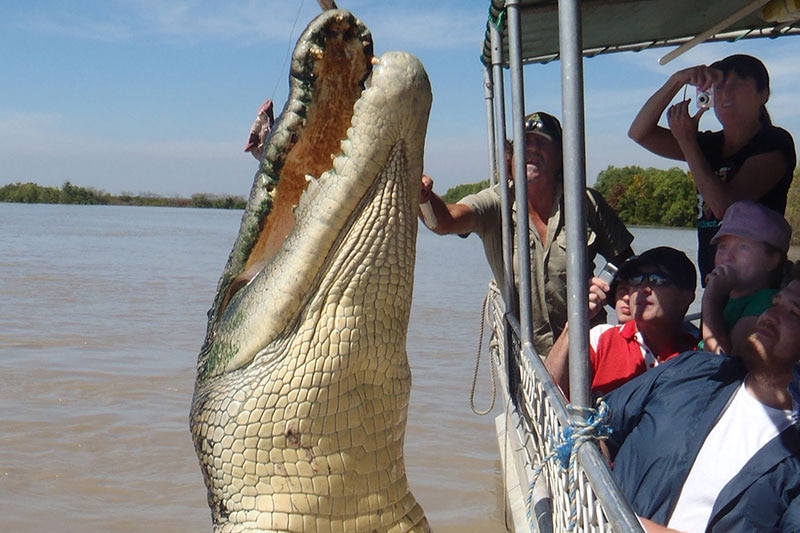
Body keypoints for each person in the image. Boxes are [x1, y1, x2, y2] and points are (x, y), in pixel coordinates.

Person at [419, 112, 634, 357]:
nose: (531, 149)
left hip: (588, 347)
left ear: (561, 157)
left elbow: (626, 260)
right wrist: (423, 197)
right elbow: (443, 221)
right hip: (527, 358)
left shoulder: (586, 202)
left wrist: (607, 287)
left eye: (542, 143)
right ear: (510, 159)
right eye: (524, 143)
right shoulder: (496, 203)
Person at [603, 278, 800, 532]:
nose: (769, 316)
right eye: (774, 304)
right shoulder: (692, 370)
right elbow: (599, 425)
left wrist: (631, 526)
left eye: (794, 313)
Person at [628, 54, 796, 281]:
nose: (725, 93)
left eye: (737, 84)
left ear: (763, 95)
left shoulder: (774, 141)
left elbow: (726, 208)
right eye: (718, 86)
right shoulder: (709, 146)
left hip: (758, 283)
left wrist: (687, 141)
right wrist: (676, 81)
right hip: (716, 278)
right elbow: (639, 132)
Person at [545, 247, 698, 398]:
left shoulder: (698, 351)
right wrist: (574, 322)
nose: (642, 289)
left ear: (686, 297)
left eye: (656, 280)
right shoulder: (600, 339)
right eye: (636, 279)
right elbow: (546, 392)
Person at [701, 200, 791, 355]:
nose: (728, 257)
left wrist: (710, 298)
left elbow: (721, 361)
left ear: (772, 261)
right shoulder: (728, 298)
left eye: (743, 247)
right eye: (722, 247)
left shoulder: (766, 302)